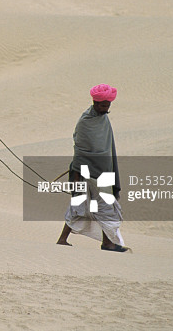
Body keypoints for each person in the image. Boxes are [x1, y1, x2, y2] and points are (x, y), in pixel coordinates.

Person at [56, 84, 129, 252]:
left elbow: (106, 147)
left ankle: (66, 240)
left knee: (104, 207)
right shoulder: (85, 122)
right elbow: (80, 150)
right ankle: (106, 243)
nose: (106, 109)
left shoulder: (103, 119)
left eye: (108, 105)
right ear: (95, 103)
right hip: (85, 173)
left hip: (103, 171)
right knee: (85, 207)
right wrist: (76, 176)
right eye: (103, 105)